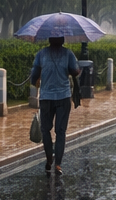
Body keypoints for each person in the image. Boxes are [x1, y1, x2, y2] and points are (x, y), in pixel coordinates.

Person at [30, 35, 82, 175]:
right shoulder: (68, 54)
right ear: (62, 40)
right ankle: (58, 164)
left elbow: (33, 75)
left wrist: (38, 77)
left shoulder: (41, 54)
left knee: (45, 130)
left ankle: (49, 159)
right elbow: (75, 71)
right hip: (63, 97)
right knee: (61, 132)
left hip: (46, 97)